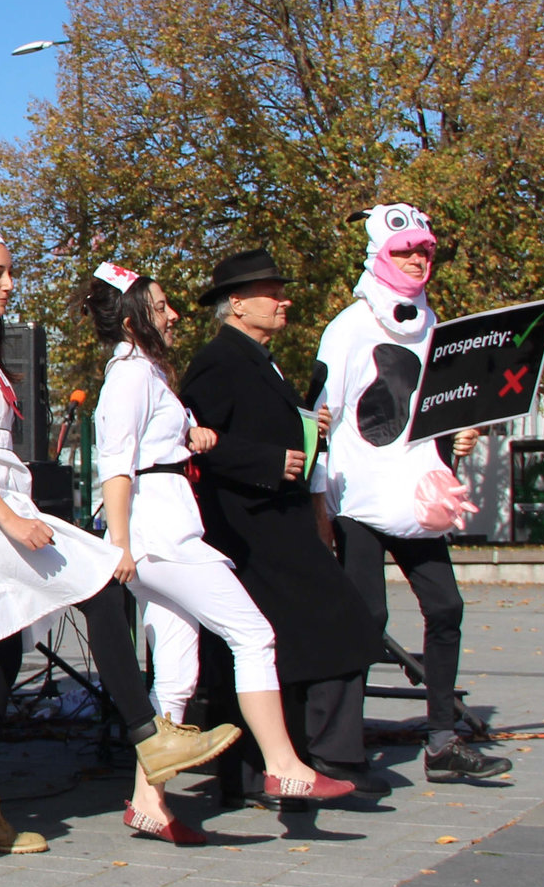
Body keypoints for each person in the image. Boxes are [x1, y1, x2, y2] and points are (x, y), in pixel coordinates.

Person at [0, 220, 236, 853]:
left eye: (10, 271)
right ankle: (151, 734)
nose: (9, 284)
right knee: (97, 581)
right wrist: (10, 520)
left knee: (1, 655)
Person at [90, 263, 357, 841]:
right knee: (253, 634)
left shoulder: (147, 375)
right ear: (135, 315)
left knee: (179, 670)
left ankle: (147, 801)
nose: (175, 314)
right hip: (158, 531)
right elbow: (116, 460)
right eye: (162, 306)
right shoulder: (130, 377)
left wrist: (196, 435)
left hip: (162, 524)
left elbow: (162, 439)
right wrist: (121, 544)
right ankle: (283, 766)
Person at [179, 250, 391, 793]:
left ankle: (266, 766)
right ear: (237, 305)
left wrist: (307, 429)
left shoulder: (259, 359)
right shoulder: (217, 361)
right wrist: (269, 462)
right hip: (251, 526)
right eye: (271, 293)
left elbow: (256, 429)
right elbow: (192, 437)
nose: (283, 301)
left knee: (287, 640)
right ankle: (325, 756)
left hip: (277, 520)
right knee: (336, 624)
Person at [314, 205, 512, 782]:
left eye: (425, 250)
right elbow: (321, 415)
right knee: (365, 618)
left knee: (446, 607)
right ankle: (338, 749)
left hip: (418, 495)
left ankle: (442, 741)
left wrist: (459, 434)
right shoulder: (349, 326)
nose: (418, 259)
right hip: (359, 498)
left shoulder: (432, 324)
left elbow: (439, 404)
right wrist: (320, 500)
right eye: (405, 251)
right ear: (380, 254)